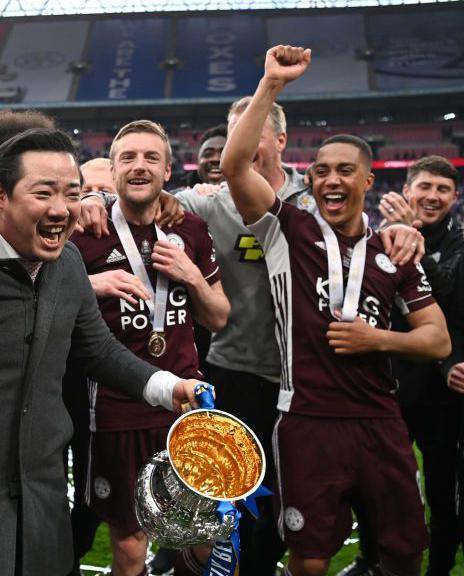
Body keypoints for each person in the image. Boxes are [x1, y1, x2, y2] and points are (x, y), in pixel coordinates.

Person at [0, 128, 205, 576]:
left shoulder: (68, 262)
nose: (61, 209)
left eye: (72, 193)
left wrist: (170, 387)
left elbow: (98, 351)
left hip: (43, 494)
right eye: (44, 193)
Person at [221, 44, 450, 576]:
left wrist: (379, 340)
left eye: (345, 171)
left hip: (380, 420)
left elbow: (437, 340)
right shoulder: (288, 230)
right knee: (309, 557)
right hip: (306, 420)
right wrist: (271, 83)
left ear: (369, 182)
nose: (331, 181)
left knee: (402, 551)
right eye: (321, 171)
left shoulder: (395, 250)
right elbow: (234, 164)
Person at [72, 120, 229, 576]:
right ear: (114, 169)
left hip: (187, 403)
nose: (139, 166)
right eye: (128, 158)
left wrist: (192, 275)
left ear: (167, 171)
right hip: (117, 407)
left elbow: (218, 316)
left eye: (151, 158)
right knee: (129, 541)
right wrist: (92, 283)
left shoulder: (191, 229)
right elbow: (45, 297)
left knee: (202, 534)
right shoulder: (86, 232)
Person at [354, 156, 464, 576]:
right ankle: (369, 560)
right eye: (425, 187)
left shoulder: (458, 243)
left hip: (439, 386)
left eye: (442, 189)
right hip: (384, 380)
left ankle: (437, 569)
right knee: (373, 481)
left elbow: (451, 297)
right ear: (407, 188)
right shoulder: (372, 235)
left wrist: (412, 235)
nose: (432, 196)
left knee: (441, 488)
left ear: (454, 197)